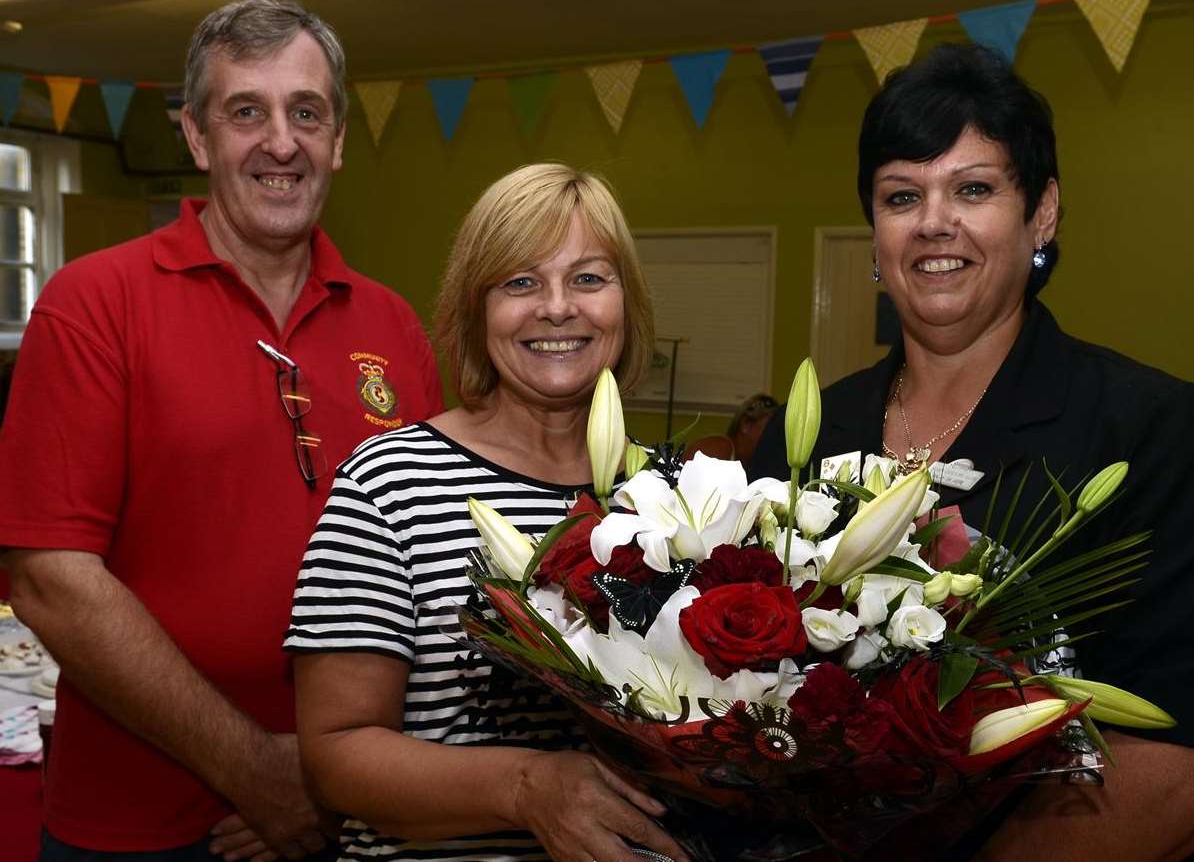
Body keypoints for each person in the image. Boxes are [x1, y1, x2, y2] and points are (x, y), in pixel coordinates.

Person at [0, 0, 442, 861]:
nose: (282, 142)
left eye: (306, 112)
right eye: (247, 111)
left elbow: (431, 574)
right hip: (139, 828)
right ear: (198, 139)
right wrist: (261, 772)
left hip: (357, 816)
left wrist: (337, 775)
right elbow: (48, 575)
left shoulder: (394, 327)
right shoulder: (94, 304)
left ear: (340, 139)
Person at [749, 44, 1194, 860]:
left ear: (1044, 212)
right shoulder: (808, 430)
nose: (933, 223)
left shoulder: (1148, 430)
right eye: (901, 195)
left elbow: (1172, 760)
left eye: (975, 188)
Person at [286, 163, 690, 862]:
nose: (557, 307)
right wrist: (526, 785)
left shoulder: (678, 496)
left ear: (628, 303)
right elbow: (335, 753)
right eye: (520, 282)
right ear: (477, 308)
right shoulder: (388, 483)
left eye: (589, 278)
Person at [683, 393, 777, 465]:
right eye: (770, 428)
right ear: (747, 425)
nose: (774, 436)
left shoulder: (748, 464)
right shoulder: (720, 447)